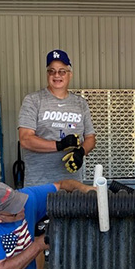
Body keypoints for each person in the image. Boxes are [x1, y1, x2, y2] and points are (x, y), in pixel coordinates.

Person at [18, 49, 96, 185]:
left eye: (62, 71)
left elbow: (90, 138)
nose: (56, 75)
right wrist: (59, 145)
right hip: (39, 185)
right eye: (51, 71)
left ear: (70, 74)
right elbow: (25, 139)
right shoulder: (33, 100)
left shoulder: (80, 103)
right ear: (47, 74)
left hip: (72, 185)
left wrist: (81, 152)